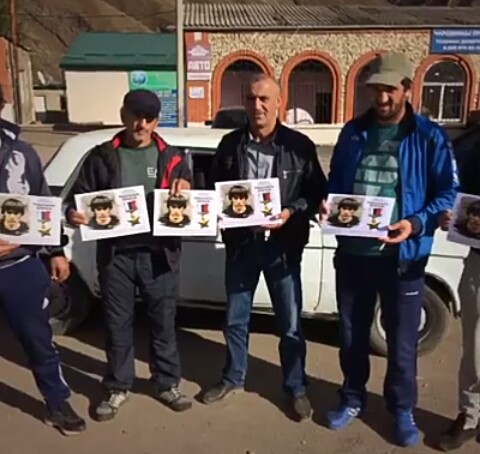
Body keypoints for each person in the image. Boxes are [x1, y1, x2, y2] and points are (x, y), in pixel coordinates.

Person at [320, 52, 456, 447]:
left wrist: (415, 223)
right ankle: (352, 398)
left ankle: (401, 409)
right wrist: (328, 204)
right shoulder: (353, 132)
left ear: (407, 89)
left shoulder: (428, 136)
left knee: (401, 343)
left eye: (389, 90)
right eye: (375, 89)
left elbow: (447, 192)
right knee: (352, 335)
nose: (381, 98)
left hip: (403, 258)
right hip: (353, 255)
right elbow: (336, 181)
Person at [202, 73, 327, 421]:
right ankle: (233, 377)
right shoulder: (230, 144)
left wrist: (291, 212)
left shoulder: (299, 146)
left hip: (282, 247)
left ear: (278, 103)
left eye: (264, 99)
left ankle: (296, 386)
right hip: (243, 246)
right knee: (235, 318)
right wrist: (212, 210)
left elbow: (316, 192)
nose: (257, 105)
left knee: (290, 323)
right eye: (251, 98)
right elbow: (212, 187)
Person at [65, 89, 193, 421]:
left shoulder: (173, 157)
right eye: (136, 116)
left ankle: (166, 383)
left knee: (163, 323)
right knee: (117, 324)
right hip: (116, 257)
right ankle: (118, 386)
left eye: (149, 118)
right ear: (123, 115)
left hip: (160, 256)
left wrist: (187, 187)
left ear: (156, 121)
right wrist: (72, 213)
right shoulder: (102, 156)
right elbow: (75, 198)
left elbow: (192, 194)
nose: (142, 124)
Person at [0, 85, 86, 435]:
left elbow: (42, 203)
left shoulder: (21, 153)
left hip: (19, 266)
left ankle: (57, 403)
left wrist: (56, 251)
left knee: (39, 340)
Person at [437, 140, 480, 451]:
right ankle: (471, 415)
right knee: (475, 348)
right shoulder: (471, 149)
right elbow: (456, 195)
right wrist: (448, 215)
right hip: (478, 263)